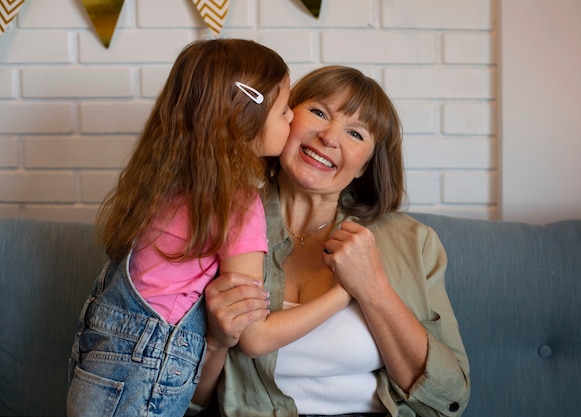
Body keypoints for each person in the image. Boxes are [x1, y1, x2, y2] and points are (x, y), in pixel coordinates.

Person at [200, 65, 471, 416]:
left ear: (364, 167)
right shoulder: (220, 222)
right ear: (283, 118)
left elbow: (449, 398)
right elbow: (186, 403)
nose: (329, 137)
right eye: (318, 112)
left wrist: (373, 289)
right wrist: (215, 343)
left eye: (356, 134)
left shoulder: (414, 243)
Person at [67, 38, 300, 417]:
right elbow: (249, 325)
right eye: (284, 109)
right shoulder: (238, 203)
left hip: (98, 363)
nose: (292, 117)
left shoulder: (157, 186)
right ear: (244, 116)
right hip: (146, 372)